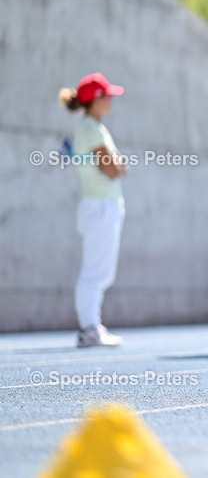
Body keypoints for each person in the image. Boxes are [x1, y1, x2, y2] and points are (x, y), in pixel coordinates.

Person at [59, 73, 129, 347]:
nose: (111, 99)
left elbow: (112, 166)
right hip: (100, 205)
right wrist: (121, 166)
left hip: (99, 205)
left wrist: (118, 166)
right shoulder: (91, 129)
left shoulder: (92, 128)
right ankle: (89, 328)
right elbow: (114, 169)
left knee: (100, 270)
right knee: (96, 270)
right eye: (107, 95)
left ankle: (92, 326)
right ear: (96, 100)